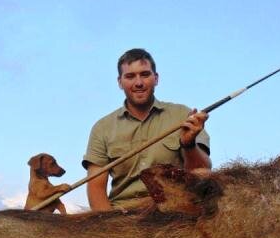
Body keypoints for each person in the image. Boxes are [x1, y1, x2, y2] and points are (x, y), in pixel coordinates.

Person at [82, 48, 211, 211]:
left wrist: (189, 144)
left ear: (156, 79)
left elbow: (202, 174)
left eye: (145, 74)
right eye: (130, 76)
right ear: (120, 82)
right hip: (122, 218)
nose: (139, 83)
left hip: (175, 212)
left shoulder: (182, 115)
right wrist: (109, 229)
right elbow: (96, 191)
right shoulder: (102, 128)